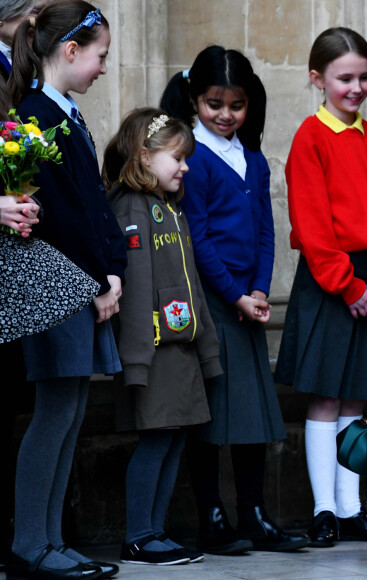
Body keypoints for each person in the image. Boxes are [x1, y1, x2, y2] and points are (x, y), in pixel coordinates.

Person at [160, 45, 310, 555]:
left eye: (237, 105)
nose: (226, 115)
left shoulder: (253, 159)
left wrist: (261, 291)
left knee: (252, 414)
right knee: (210, 414)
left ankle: (255, 514)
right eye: (214, 104)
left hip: (247, 303)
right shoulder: (193, 158)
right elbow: (197, 239)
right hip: (211, 303)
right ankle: (213, 518)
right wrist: (235, 295)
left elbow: (267, 233)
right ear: (194, 100)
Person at [274, 26, 367, 548]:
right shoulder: (310, 139)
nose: (356, 88)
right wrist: (347, 286)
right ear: (318, 79)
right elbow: (312, 226)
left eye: (365, 77)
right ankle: (325, 510)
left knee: (360, 401)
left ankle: (354, 510)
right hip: (332, 281)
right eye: (344, 78)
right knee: (326, 399)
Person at [5, 1, 127, 579]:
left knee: (72, 411)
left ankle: (51, 541)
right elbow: (61, 217)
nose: (104, 66)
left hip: (77, 281)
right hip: (52, 284)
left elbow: (94, 203)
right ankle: (32, 543)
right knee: (53, 413)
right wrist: (100, 277)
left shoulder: (64, 112)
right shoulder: (34, 113)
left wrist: (111, 268)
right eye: (100, 55)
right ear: (71, 51)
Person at [102, 107, 223, 566]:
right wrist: (135, 359)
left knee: (173, 437)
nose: (185, 166)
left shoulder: (171, 209)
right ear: (145, 156)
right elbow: (132, 295)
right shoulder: (131, 208)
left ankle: (155, 530)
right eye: (177, 157)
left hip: (182, 352)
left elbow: (191, 282)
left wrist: (207, 350)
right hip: (152, 354)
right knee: (156, 439)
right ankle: (138, 535)